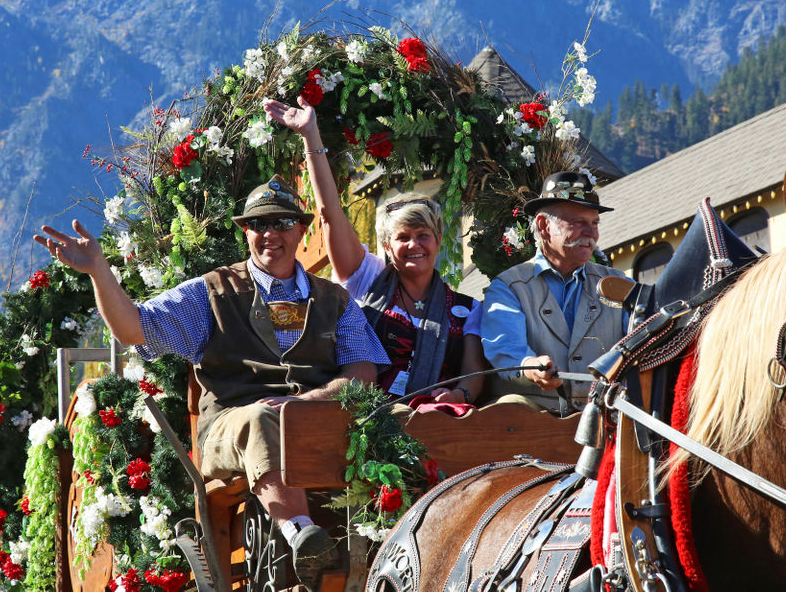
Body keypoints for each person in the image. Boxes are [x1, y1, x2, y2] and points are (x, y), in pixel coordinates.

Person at [34, 176, 390, 591]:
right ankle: (301, 535)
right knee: (260, 420)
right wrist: (98, 270)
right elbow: (135, 328)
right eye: (259, 224)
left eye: (281, 222)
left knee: (403, 418)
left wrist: (310, 402)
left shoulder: (335, 299)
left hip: (316, 423)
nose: (270, 233)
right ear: (245, 232)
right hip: (233, 428)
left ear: (300, 229)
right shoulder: (212, 293)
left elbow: (363, 371)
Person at [264, 97, 486, 405]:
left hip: (440, 423)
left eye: (423, 236)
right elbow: (330, 215)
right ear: (386, 245)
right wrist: (311, 135)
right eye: (403, 237)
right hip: (364, 424)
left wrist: (458, 394)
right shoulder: (366, 278)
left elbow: (473, 374)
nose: (414, 245)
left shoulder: (467, 308)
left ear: (438, 239)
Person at [480, 171, 628, 414]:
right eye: (577, 223)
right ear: (543, 226)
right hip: (533, 426)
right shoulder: (509, 287)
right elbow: (507, 350)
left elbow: (644, 340)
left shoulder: (618, 285)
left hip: (604, 420)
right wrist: (531, 367)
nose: (591, 234)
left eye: (594, 223)